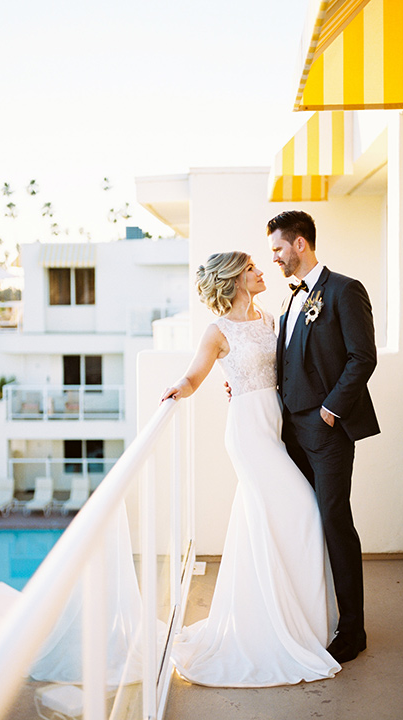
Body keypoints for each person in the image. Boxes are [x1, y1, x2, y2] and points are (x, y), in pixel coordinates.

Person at [161, 251, 341, 687]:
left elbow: (287, 369)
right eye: (252, 269)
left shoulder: (270, 321)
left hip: (274, 425)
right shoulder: (217, 330)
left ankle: (302, 620)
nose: (262, 272)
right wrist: (177, 391)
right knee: (299, 511)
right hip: (246, 433)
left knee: (281, 520)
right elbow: (195, 376)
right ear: (235, 279)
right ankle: (275, 627)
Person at [266, 210, 380, 664]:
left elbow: (362, 357)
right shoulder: (289, 299)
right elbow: (287, 360)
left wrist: (331, 409)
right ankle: (312, 615)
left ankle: (353, 630)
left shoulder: (344, 290)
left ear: (300, 244)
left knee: (334, 521)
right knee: (300, 519)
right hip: (290, 429)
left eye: (277, 248)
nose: (273, 257)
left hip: (328, 430)